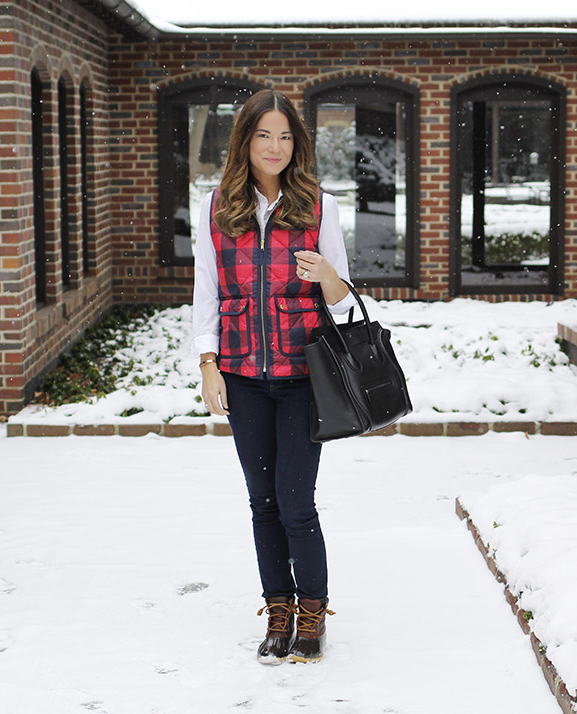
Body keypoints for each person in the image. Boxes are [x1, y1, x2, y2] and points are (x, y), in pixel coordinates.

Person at [191, 88, 355, 665]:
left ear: (297, 145)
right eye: (264, 135)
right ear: (245, 141)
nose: (276, 147)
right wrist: (208, 366)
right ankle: (277, 608)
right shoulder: (214, 208)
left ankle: (312, 609)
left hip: (300, 379)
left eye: (286, 137)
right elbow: (206, 294)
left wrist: (329, 274)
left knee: (295, 501)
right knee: (262, 501)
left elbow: (345, 307)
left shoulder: (319, 208)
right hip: (242, 376)